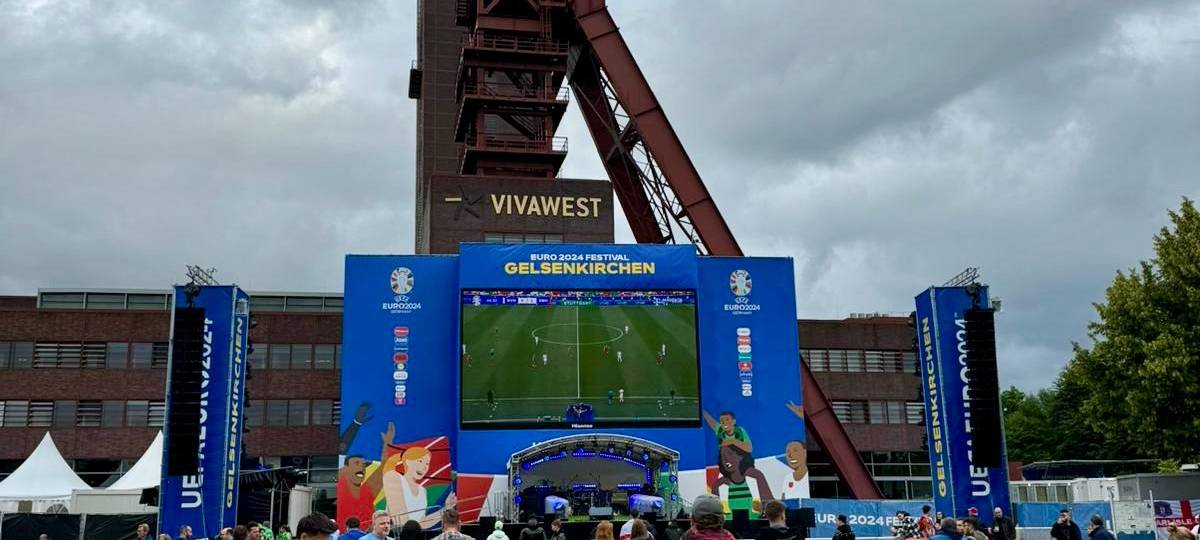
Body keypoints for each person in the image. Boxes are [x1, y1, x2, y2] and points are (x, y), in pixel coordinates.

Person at [382, 446, 458, 529]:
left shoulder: (422, 491)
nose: (424, 467)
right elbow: (402, 521)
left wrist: (446, 508)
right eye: (420, 461)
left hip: (415, 533)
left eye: (427, 464)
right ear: (407, 461)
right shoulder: (393, 477)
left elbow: (423, 523)